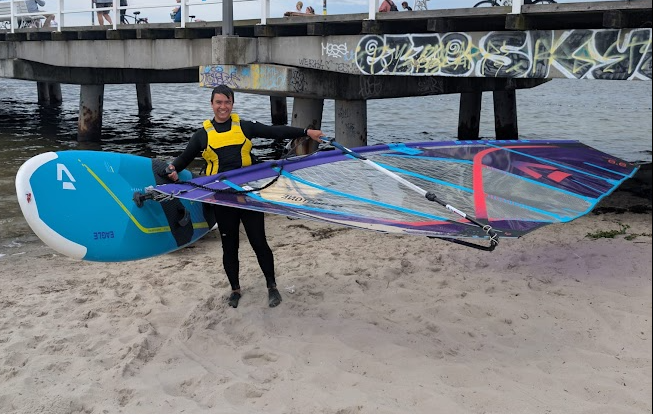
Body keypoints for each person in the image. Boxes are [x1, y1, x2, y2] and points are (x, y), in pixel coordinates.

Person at [166, 85, 325, 309]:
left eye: (227, 102)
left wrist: (306, 133)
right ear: (212, 104)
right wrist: (172, 169)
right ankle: (235, 290)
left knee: (258, 242)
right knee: (229, 246)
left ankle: (272, 286)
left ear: (232, 103)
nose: (223, 107)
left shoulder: (244, 127)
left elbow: (275, 131)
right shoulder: (201, 136)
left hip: (248, 196)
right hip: (222, 198)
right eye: (219, 102)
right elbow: (183, 160)